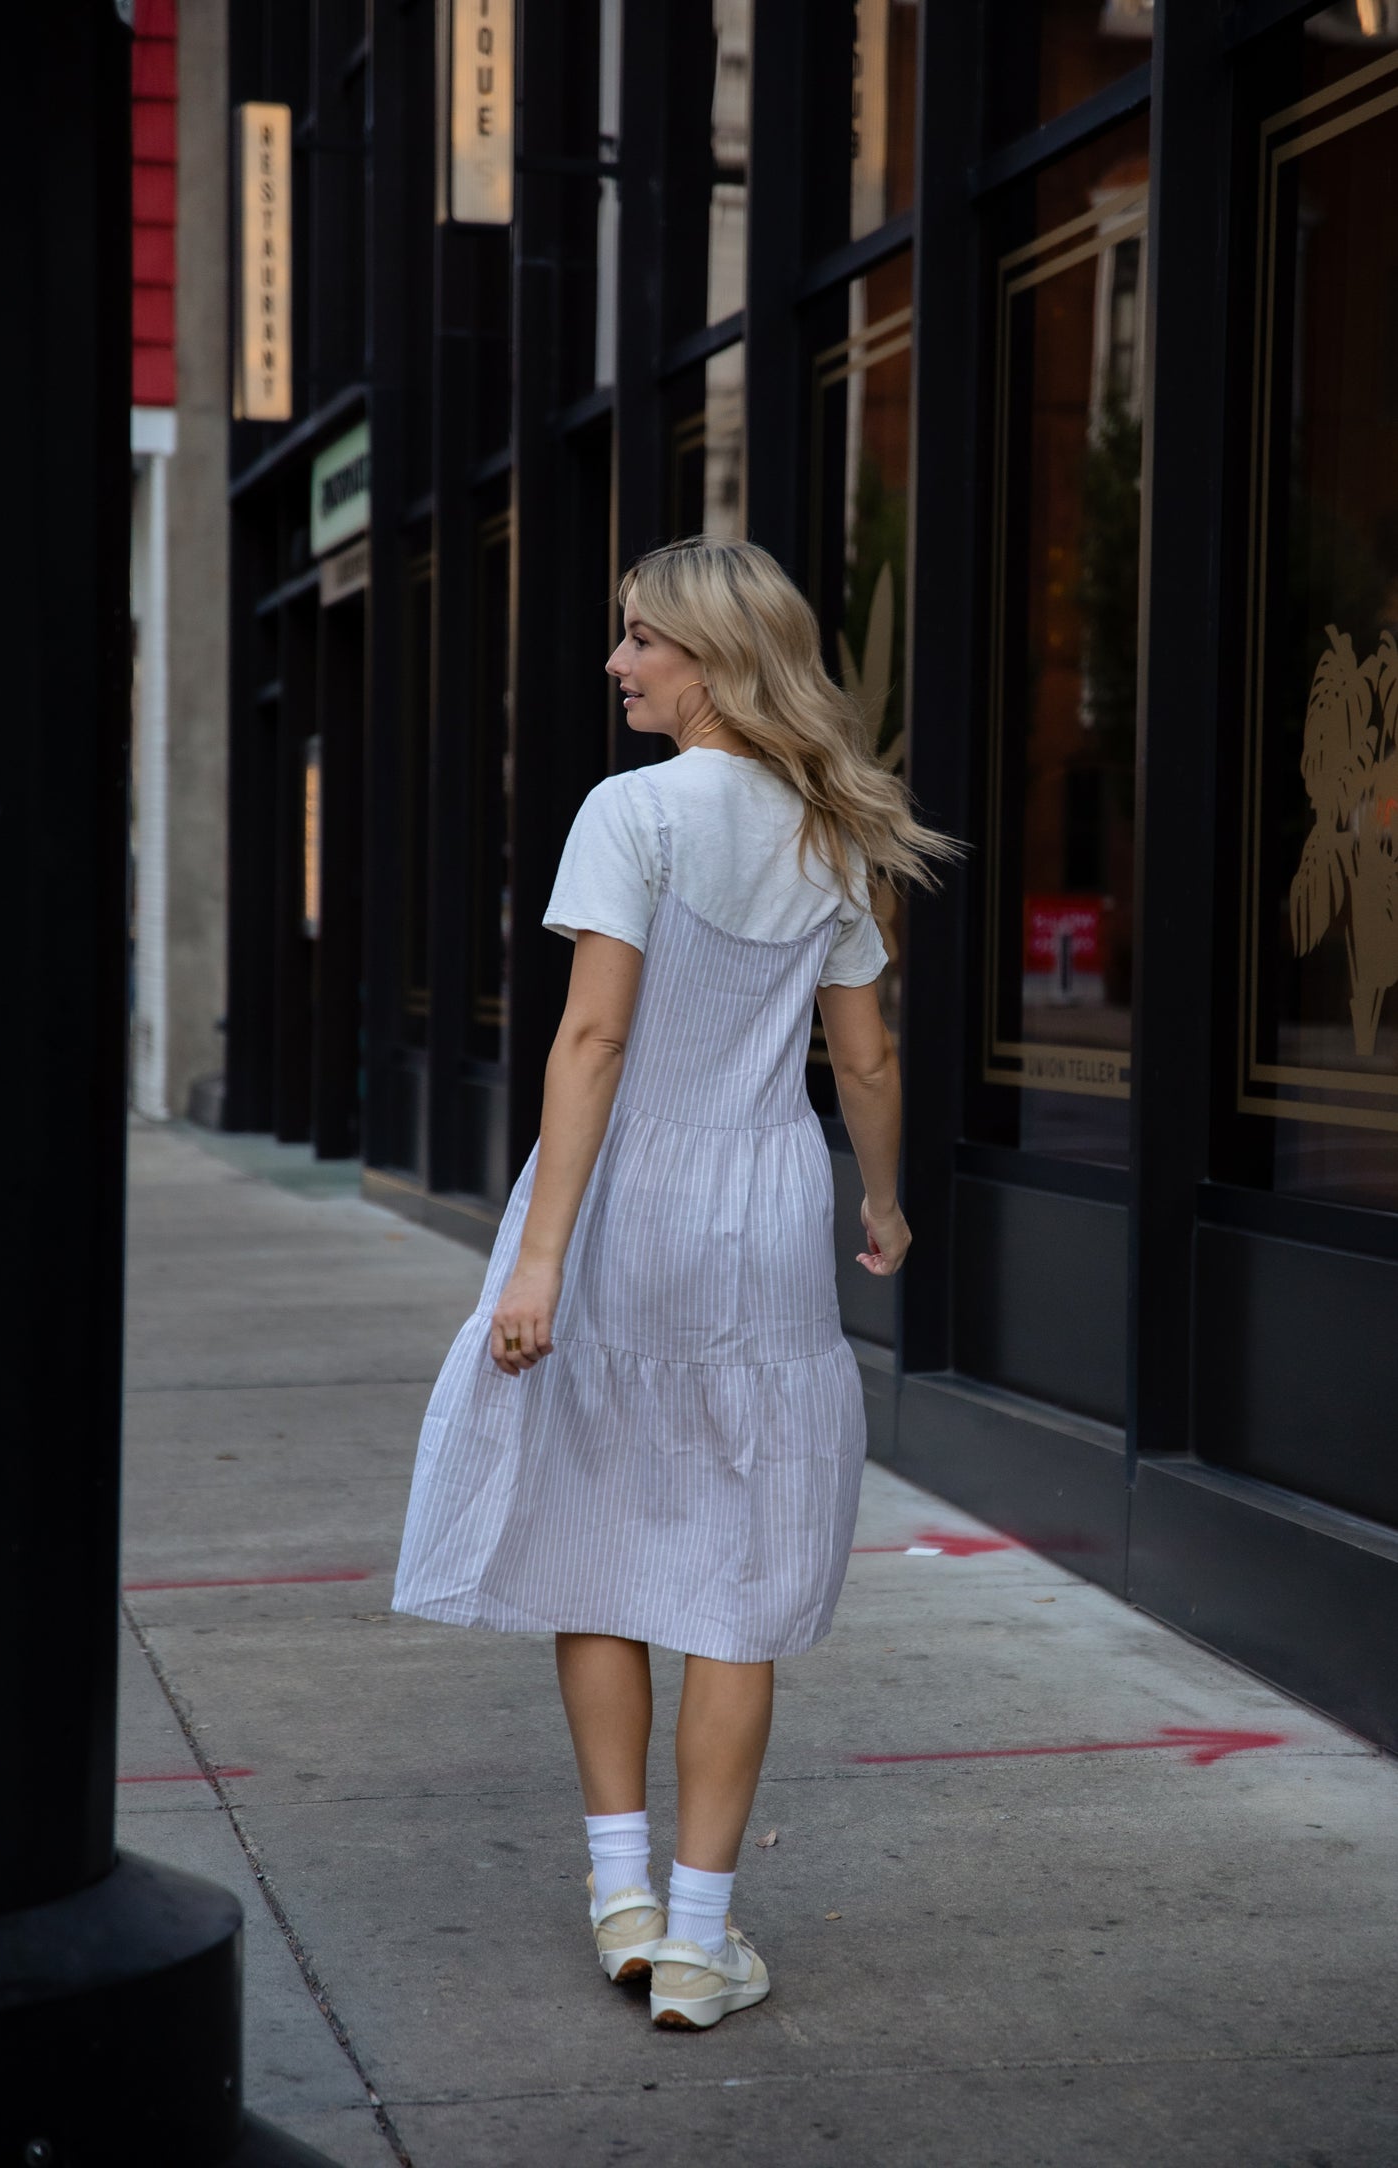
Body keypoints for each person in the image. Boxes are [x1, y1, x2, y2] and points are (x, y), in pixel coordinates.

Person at [392, 535, 960, 2030]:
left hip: (624, 1200)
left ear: (713, 657)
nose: (616, 662)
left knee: (598, 1532)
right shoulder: (829, 828)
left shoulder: (628, 812)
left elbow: (590, 1046)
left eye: (639, 638)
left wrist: (535, 1258)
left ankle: (619, 1891)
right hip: (768, 1201)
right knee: (738, 1572)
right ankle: (700, 1943)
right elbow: (868, 1058)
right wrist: (884, 1208)